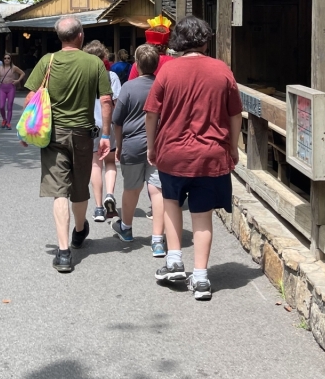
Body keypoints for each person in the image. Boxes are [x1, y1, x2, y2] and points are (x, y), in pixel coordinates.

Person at [145, 15, 243, 301]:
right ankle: (200, 278)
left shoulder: (167, 72)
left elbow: (152, 113)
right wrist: (233, 147)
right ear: (204, 40)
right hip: (211, 154)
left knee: (172, 204)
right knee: (202, 217)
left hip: (172, 153)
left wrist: (152, 146)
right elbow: (235, 114)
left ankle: (174, 260)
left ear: (178, 41)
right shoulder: (221, 70)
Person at [24, 15, 112, 273]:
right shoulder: (94, 63)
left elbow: (31, 95)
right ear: (80, 35)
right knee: (79, 186)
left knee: (59, 191)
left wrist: (27, 128)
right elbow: (106, 100)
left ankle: (64, 253)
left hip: (53, 135)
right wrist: (106, 135)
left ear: (59, 37)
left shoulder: (46, 61)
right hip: (84, 134)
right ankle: (79, 229)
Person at [112, 44, 165, 252]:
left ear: (137, 64)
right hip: (158, 145)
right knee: (158, 192)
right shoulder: (163, 86)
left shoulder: (129, 87)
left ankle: (126, 228)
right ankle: (158, 240)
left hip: (131, 144)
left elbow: (118, 121)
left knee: (131, 189)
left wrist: (118, 145)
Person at [83, 40, 121, 222]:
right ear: (104, 57)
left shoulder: (82, 77)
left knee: (95, 165)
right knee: (110, 163)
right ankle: (110, 194)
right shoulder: (111, 76)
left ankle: (98, 208)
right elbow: (116, 103)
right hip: (109, 124)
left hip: (90, 124)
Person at [0, 54, 25, 129]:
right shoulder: (0, 68)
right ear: (3, 59)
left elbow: (22, 73)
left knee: (9, 106)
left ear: (10, 59)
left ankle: (8, 122)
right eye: (5, 58)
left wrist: (18, 81)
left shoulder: (13, 68)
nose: (6, 59)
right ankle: (4, 119)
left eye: (8, 58)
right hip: (2, 88)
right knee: (1, 106)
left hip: (11, 88)